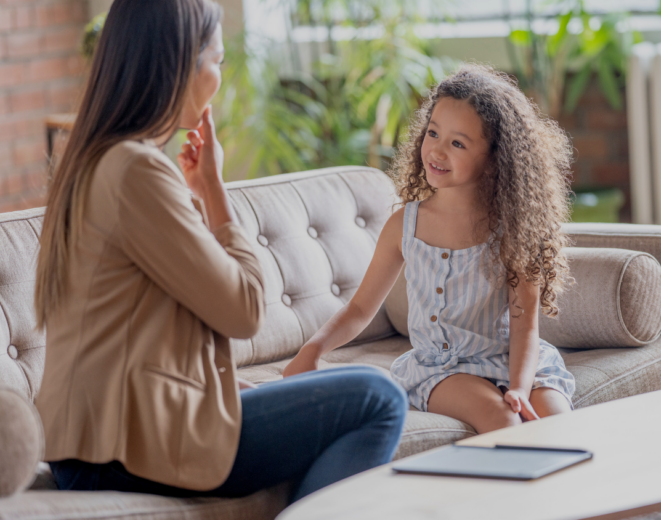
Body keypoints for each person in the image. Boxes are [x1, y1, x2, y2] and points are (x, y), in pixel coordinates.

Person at [34, 0, 406, 503]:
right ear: (180, 65)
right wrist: (214, 189)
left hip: (96, 444)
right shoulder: (135, 172)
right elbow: (244, 310)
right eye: (218, 61)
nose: (219, 78)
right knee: (376, 397)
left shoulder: (97, 162)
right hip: (123, 449)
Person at [284, 64, 576, 434]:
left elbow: (524, 327)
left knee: (558, 422)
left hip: (512, 359)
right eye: (433, 133)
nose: (436, 150)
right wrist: (311, 350)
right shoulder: (403, 226)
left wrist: (520, 386)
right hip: (442, 370)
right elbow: (359, 309)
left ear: (494, 160)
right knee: (502, 419)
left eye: (457, 143)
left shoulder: (515, 231)